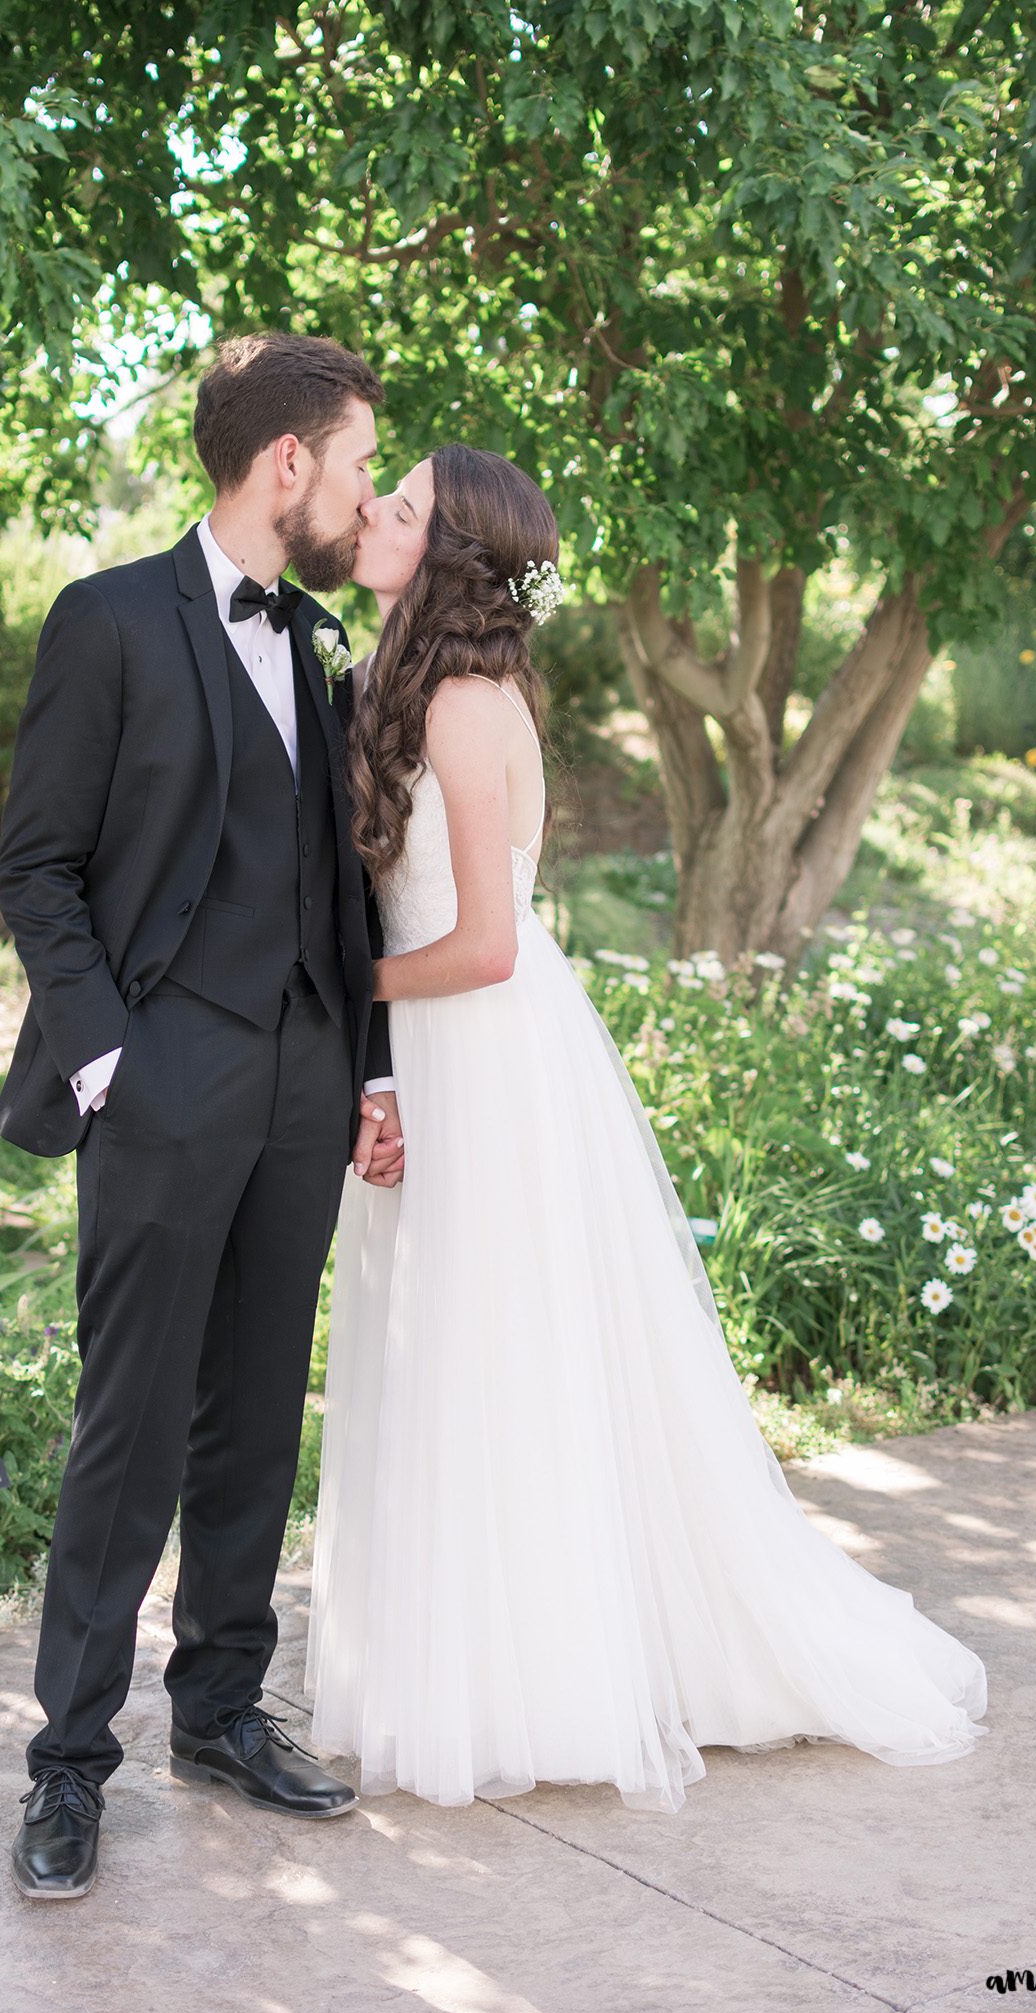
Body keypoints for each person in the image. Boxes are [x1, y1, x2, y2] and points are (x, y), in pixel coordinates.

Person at [305, 442, 990, 1812]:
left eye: (404, 501)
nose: (375, 508)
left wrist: (336, 991)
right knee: (441, 1346)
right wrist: (368, 1066)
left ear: (447, 552)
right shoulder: (389, 675)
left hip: (485, 1046)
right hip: (427, 1051)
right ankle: (461, 1659)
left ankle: (535, 1679)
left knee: (495, 1354)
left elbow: (486, 944)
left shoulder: (458, 699)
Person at [0, 332, 405, 1900]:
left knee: (251, 1414)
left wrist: (364, 1061)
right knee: (132, 1425)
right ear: (283, 462)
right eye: (360, 457)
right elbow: (36, 866)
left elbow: (334, 882)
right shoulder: (107, 621)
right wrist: (111, 1064)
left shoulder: (310, 639)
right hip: (163, 1083)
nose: (367, 486)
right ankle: (66, 1764)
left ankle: (219, 1706)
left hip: (302, 1077)